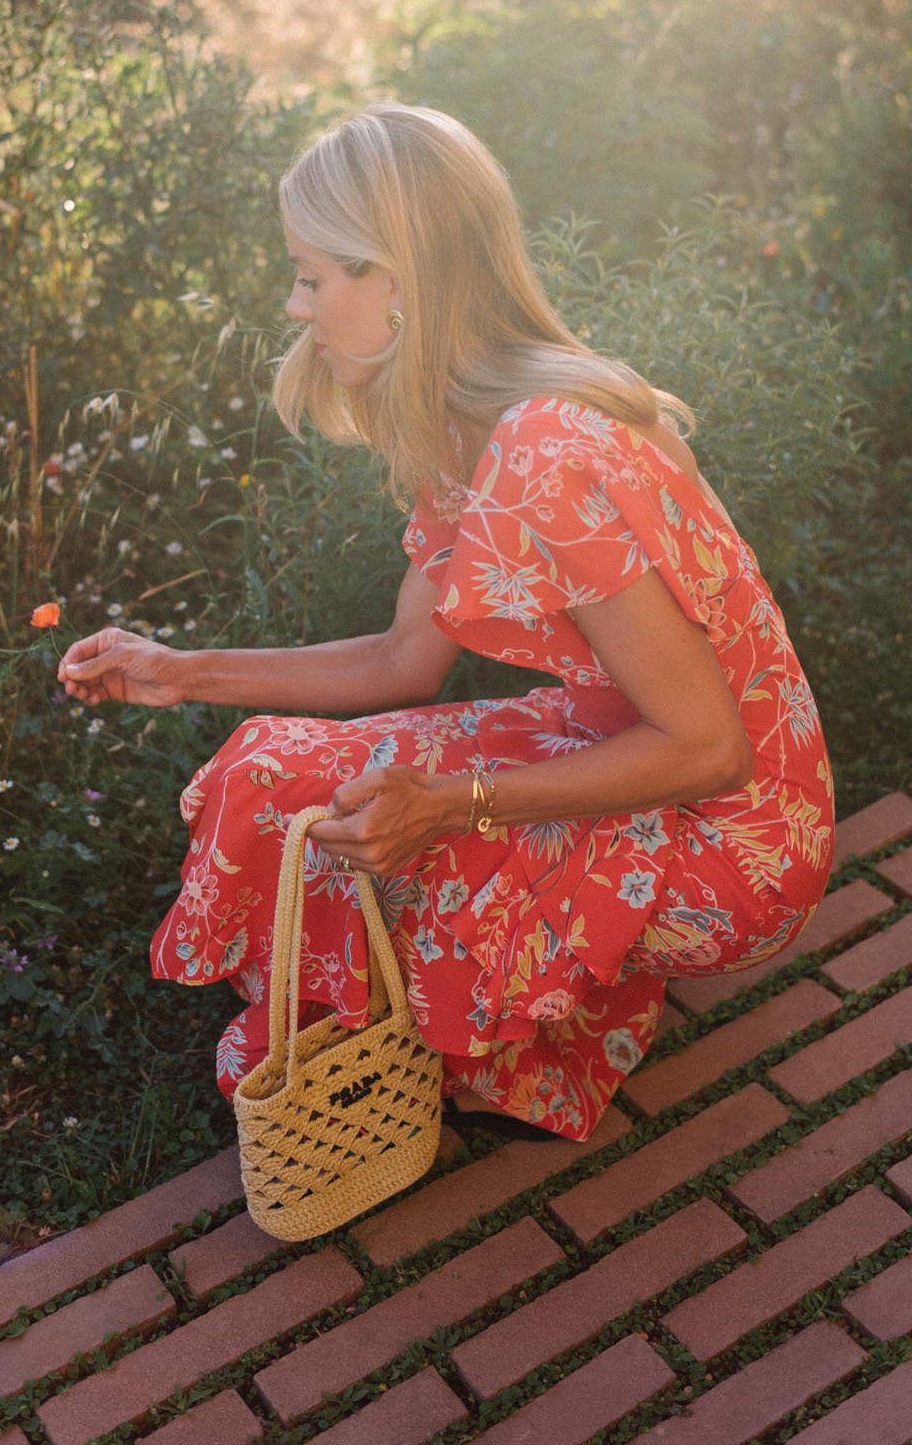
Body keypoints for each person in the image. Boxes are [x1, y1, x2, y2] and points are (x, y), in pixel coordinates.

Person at [59, 105, 833, 1142]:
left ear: (396, 276)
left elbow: (707, 745)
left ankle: (475, 1037)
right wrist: (177, 669)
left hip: (735, 842)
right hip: (619, 749)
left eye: (311, 274)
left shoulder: (548, 450)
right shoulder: (465, 435)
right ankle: (473, 1021)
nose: (295, 305)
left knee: (393, 838)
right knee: (278, 772)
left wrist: (460, 806)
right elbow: (400, 661)